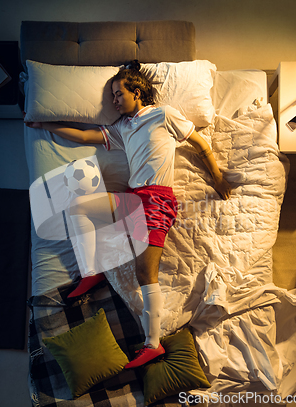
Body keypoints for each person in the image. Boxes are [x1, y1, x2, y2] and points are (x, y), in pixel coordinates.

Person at [25, 61, 231, 368]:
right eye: (111, 95)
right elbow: (84, 137)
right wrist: (46, 125)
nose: (113, 100)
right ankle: (95, 268)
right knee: (82, 206)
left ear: (137, 91)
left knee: (145, 274)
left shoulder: (162, 114)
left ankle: (153, 345)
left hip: (158, 200)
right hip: (135, 197)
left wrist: (216, 176)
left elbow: (198, 141)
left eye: (118, 93)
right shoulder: (122, 128)